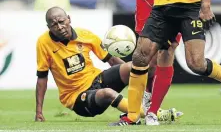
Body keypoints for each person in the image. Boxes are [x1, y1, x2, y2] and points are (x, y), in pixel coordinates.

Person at [35, 7, 176, 122]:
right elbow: (42, 78)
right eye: (54, 24)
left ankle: (149, 105)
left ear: (69, 19)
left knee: (138, 67)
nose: (59, 27)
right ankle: (148, 114)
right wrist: (39, 111)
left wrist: (133, 74)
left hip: (97, 79)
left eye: (61, 21)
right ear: (49, 27)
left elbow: (112, 60)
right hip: (76, 97)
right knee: (108, 94)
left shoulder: (86, 35)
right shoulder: (43, 43)